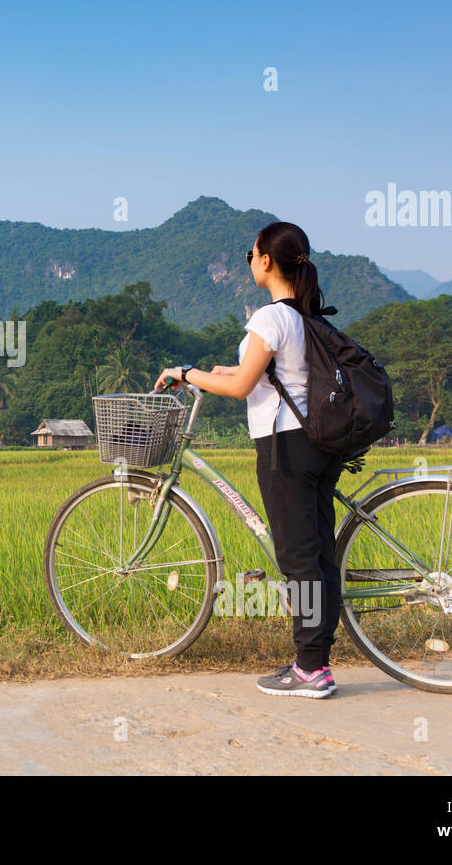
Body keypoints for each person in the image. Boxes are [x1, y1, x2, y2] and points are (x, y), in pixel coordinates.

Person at [156, 221, 342, 699]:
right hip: (318, 444)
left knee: (299, 558)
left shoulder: (269, 317)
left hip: (285, 445)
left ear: (266, 261)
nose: (249, 261)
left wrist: (186, 371)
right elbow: (263, 374)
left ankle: (310, 670)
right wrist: (213, 372)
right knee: (319, 554)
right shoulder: (305, 315)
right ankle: (316, 658)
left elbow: (241, 388)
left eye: (251, 253)